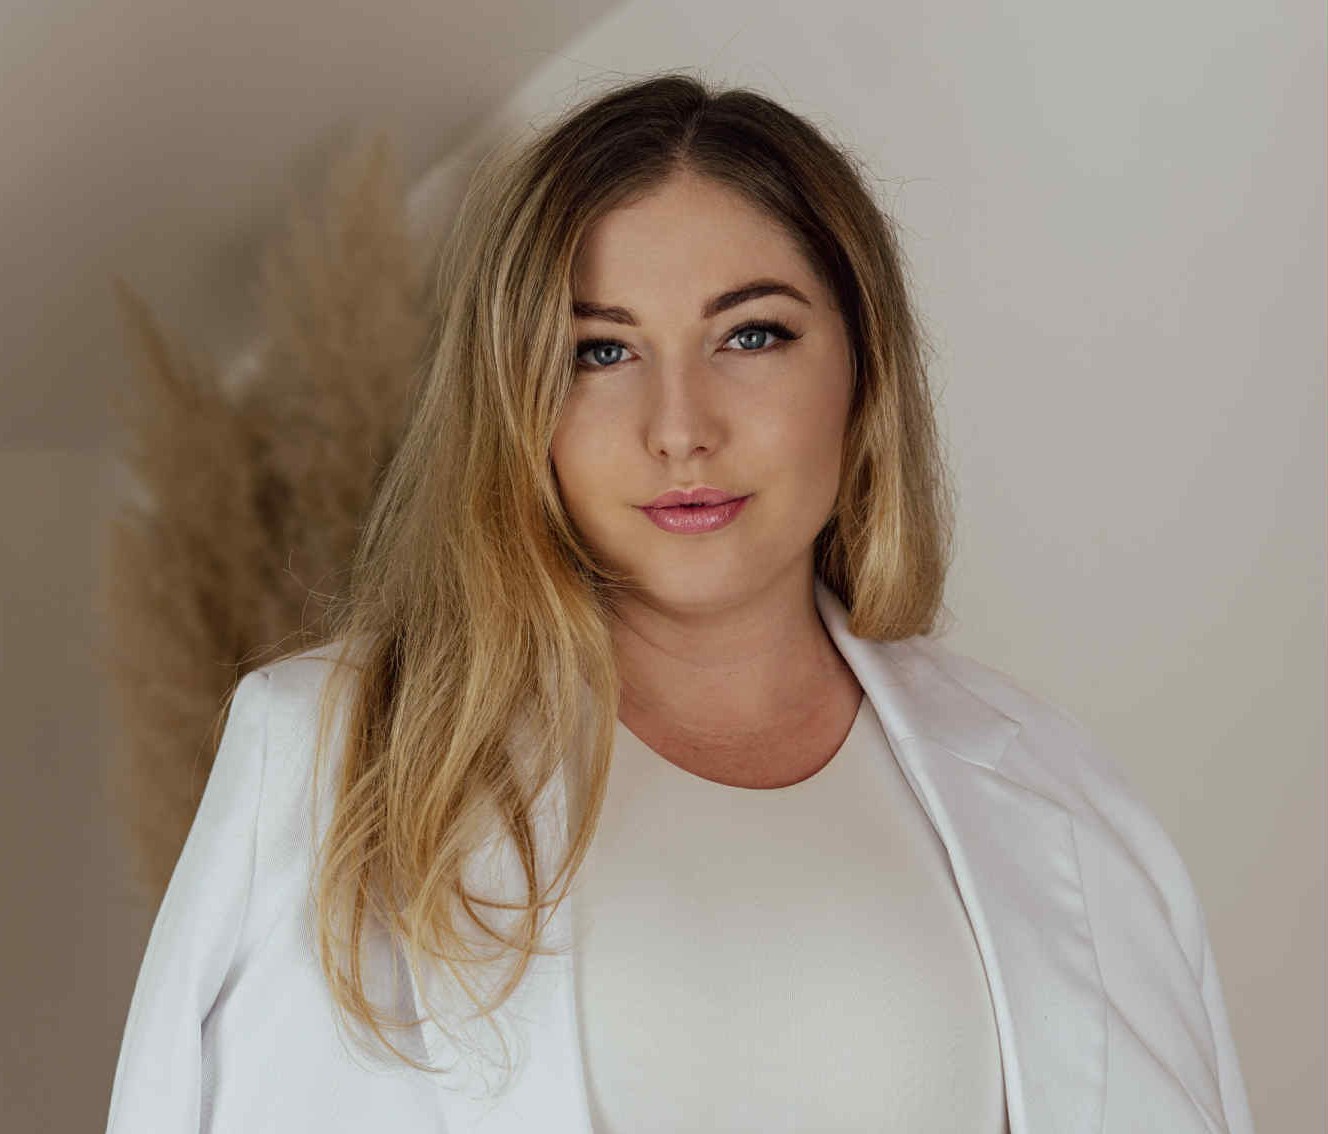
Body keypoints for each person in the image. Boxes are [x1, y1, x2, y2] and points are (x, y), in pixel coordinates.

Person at [105, 71, 1256, 1134]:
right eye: (600, 352)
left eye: (750, 335)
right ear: (515, 399)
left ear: (862, 369)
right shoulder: (329, 752)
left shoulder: (1057, 793)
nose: (678, 428)